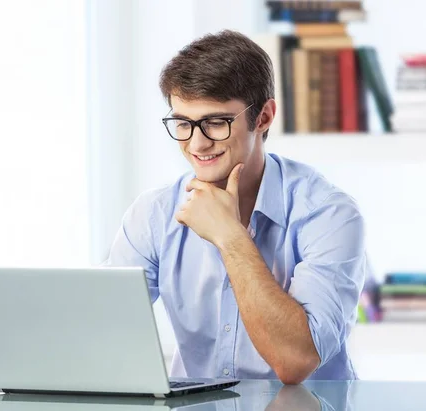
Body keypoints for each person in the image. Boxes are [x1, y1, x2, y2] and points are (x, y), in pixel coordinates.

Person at [103, 29, 367, 384]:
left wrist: (230, 236)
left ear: (264, 117)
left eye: (216, 122)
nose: (197, 143)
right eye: (183, 123)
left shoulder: (328, 214)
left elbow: (295, 361)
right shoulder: (153, 214)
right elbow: (102, 332)